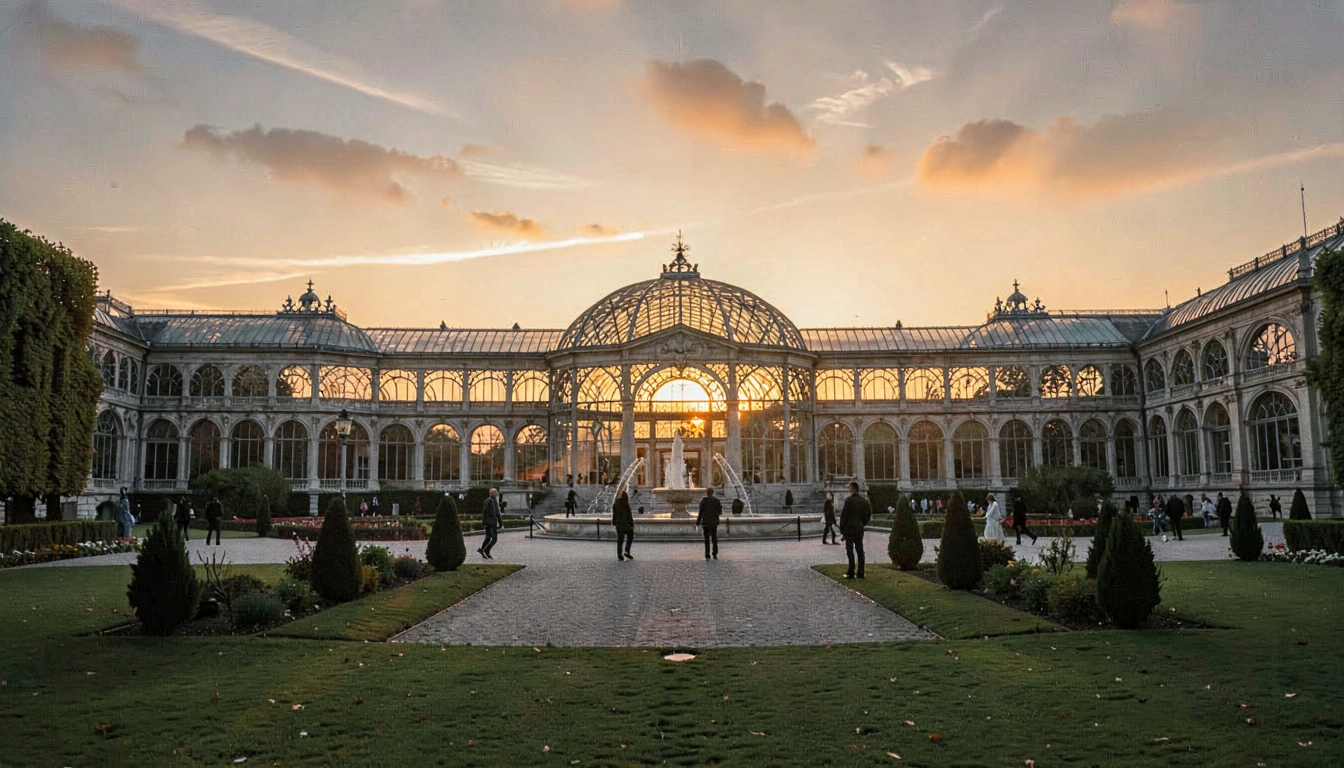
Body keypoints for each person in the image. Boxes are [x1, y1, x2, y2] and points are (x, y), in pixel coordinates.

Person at [839, 482, 872, 579]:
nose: (848, 489)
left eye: (849, 487)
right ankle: (861, 572)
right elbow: (868, 514)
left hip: (849, 528)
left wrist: (842, 529)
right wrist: (862, 523)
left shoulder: (849, 501)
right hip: (859, 528)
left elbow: (844, 516)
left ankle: (851, 571)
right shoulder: (864, 501)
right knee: (860, 549)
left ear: (853, 488)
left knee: (850, 550)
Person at [696, 487, 723, 560]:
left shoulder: (704, 501)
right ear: (713, 493)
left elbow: (700, 512)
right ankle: (714, 553)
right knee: (714, 538)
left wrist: (698, 522)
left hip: (706, 522)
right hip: (714, 522)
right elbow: (720, 512)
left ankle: (707, 553)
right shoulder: (717, 501)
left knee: (706, 538)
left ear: (707, 493)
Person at [479, 489, 502, 559]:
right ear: (493, 494)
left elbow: (484, 512)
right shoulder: (493, 501)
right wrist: (501, 523)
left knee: (488, 537)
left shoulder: (486, 500)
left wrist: (484, 522)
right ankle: (486, 550)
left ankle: (482, 549)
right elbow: (497, 513)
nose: (497, 494)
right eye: (496, 493)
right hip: (492, 523)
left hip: (487, 523)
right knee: (494, 539)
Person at [612, 490, 634, 561]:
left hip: (619, 525)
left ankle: (619, 555)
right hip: (625, 525)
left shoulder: (615, 504)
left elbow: (614, 515)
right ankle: (627, 551)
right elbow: (629, 515)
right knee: (630, 536)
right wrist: (631, 524)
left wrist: (614, 522)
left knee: (620, 540)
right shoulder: (626, 504)